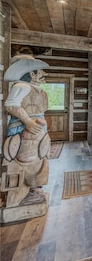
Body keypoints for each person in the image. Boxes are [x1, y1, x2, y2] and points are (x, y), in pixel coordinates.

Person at [0, 54, 50, 208]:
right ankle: (18, 196)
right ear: (30, 73)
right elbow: (11, 105)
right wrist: (28, 121)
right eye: (39, 71)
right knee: (25, 160)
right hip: (25, 130)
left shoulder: (36, 89)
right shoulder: (22, 86)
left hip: (38, 131)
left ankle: (34, 189)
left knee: (39, 159)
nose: (44, 74)